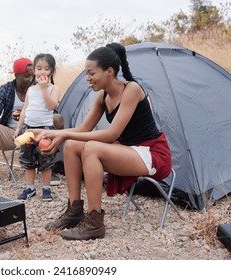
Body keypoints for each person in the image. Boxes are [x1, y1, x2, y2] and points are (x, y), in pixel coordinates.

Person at [30, 43, 172, 240]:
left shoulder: (132, 89)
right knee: (71, 145)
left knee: (91, 149)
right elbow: (81, 130)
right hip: (126, 150)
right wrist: (54, 133)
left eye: (91, 73)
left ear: (110, 72)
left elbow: (111, 135)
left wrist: (63, 135)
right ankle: (74, 211)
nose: (87, 78)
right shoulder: (102, 97)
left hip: (151, 153)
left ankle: (95, 222)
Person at [0, 58, 63, 185]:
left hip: (39, 131)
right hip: (13, 134)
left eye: (31, 75)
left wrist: (29, 113)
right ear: (16, 76)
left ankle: (49, 164)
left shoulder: (40, 87)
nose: (30, 79)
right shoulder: (6, 90)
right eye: (26, 76)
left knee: (58, 118)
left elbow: (52, 111)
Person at [14, 53, 61, 201]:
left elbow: (51, 105)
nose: (42, 72)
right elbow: (25, 110)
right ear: (34, 70)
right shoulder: (30, 90)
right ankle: (30, 188)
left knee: (45, 160)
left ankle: (46, 189)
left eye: (46, 68)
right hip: (28, 128)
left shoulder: (54, 88)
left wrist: (44, 89)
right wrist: (18, 128)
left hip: (45, 129)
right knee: (28, 160)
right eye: (39, 68)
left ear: (52, 71)